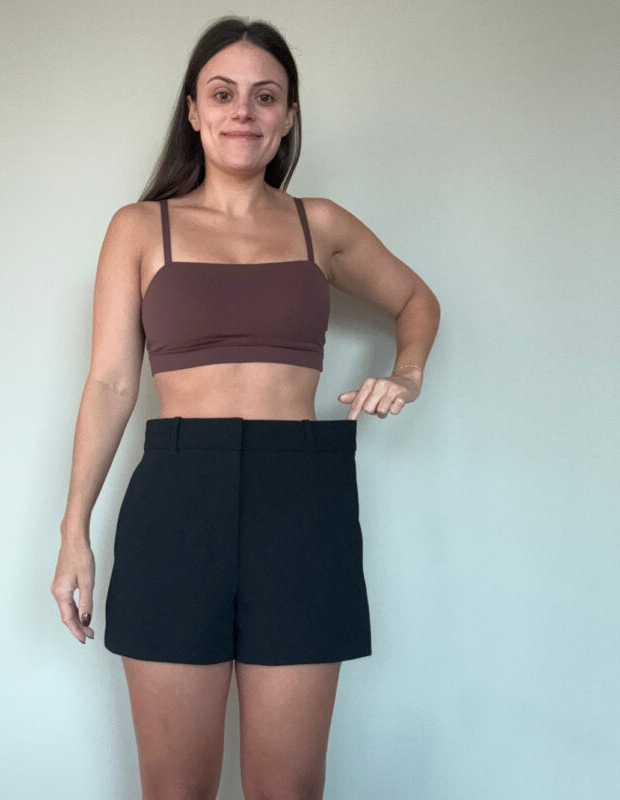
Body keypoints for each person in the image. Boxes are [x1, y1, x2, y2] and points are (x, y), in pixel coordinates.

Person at [51, 15, 440, 800]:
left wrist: (407, 374)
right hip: (176, 498)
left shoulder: (319, 225)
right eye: (223, 93)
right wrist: (73, 532)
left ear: (289, 116)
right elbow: (112, 384)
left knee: (288, 789)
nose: (244, 111)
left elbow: (415, 300)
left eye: (265, 96)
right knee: (176, 789)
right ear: (193, 111)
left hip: (302, 502)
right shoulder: (140, 228)